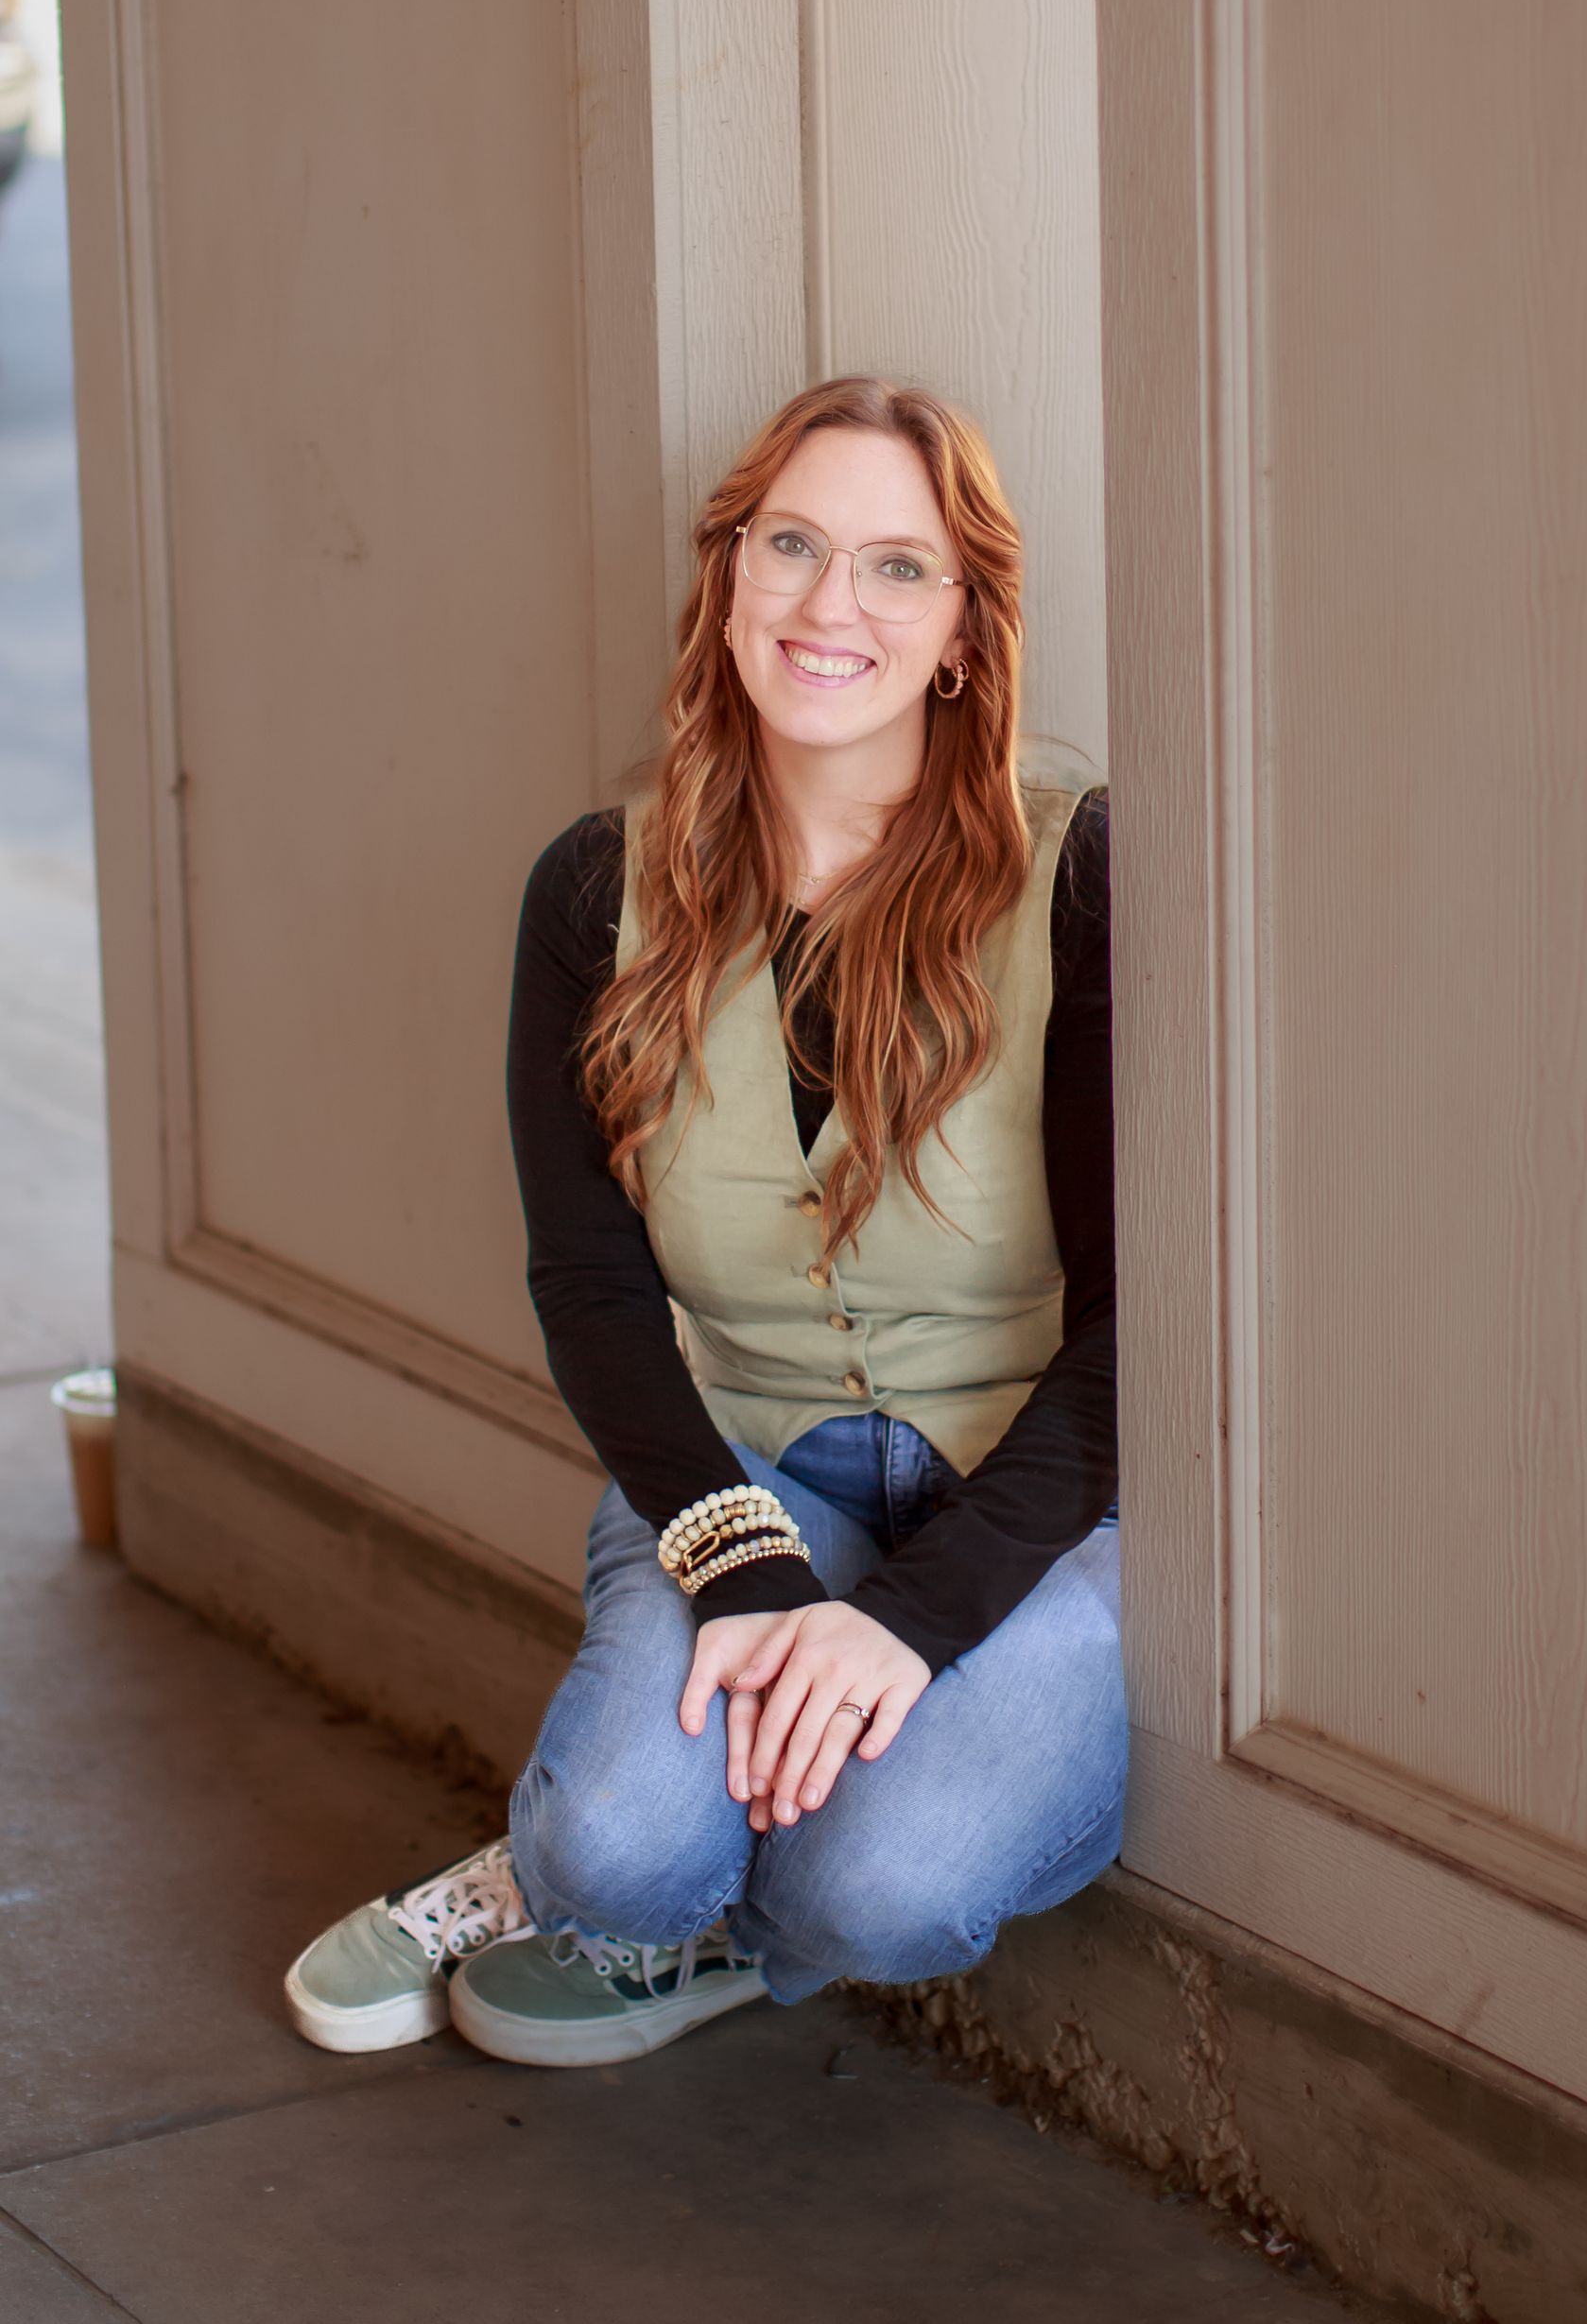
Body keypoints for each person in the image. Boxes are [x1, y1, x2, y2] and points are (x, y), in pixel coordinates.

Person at [284, 375, 1122, 2066]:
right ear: (727, 578)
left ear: (964, 629)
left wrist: (910, 1622)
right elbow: (588, 1286)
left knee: (877, 1888)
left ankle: (682, 1928)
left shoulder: (1078, 874)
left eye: (900, 568)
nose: (832, 605)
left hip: (1034, 1497)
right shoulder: (597, 892)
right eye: (792, 546)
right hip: (748, 1466)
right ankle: (579, 1881)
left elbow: (1138, 1325)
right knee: (618, 1842)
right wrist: (738, 1570)